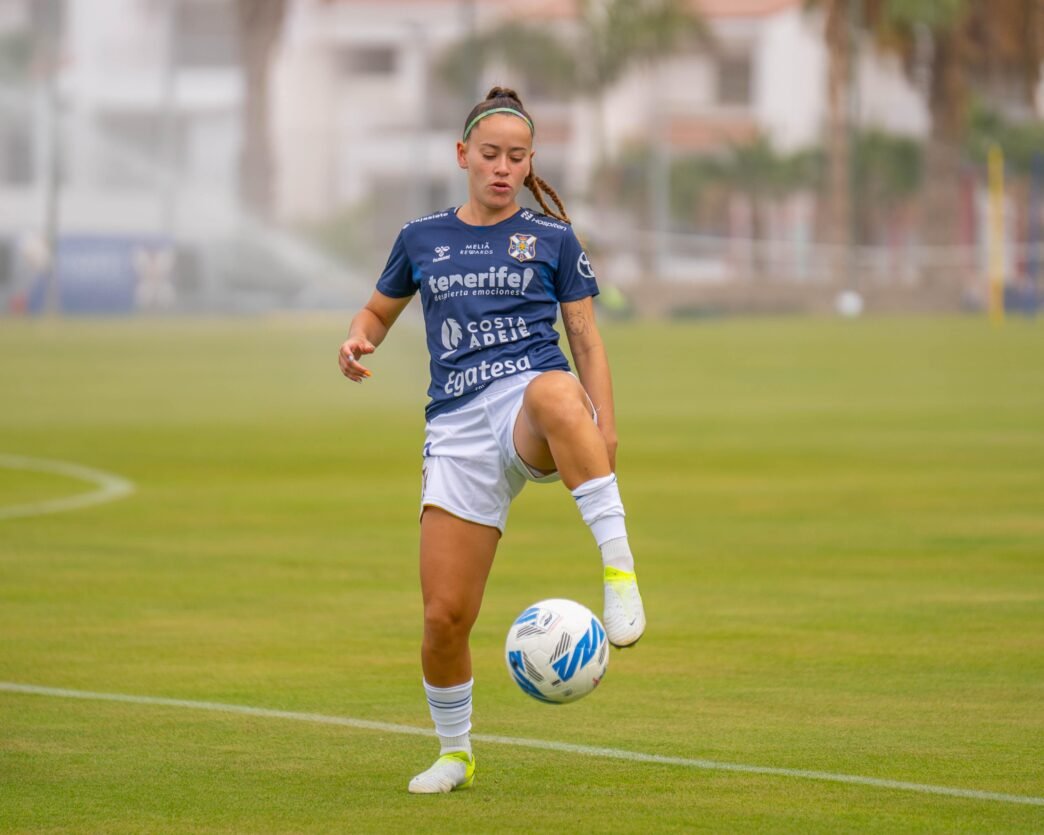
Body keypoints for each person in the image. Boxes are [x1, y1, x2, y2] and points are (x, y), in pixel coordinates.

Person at [337, 86, 646, 794]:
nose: (502, 168)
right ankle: (456, 753)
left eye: (516, 156)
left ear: (530, 161)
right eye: (490, 155)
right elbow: (376, 312)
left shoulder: (553, 238)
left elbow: (585, 340)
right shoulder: (421, 238)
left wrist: (605, 424)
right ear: (462, 156)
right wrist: (357, 338)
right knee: (444, 617)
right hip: (456, 428)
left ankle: (620, 571)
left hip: (528, 406)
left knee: (554, 388)